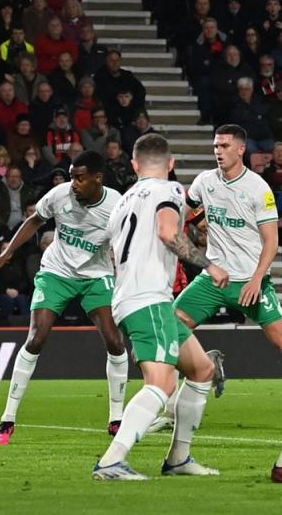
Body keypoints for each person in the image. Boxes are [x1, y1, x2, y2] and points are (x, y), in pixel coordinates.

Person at [93, 133, 225, 480]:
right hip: (147, 297)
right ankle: (111, 460)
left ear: (135, 165)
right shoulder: (169, 190)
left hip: (134, 297)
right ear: (171, 164)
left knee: (200, 369)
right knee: (162, 383)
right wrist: (209, 265)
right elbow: (168, 232)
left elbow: (111, 254)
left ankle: (179, 458)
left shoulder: (121, 203)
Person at [0, 151, 127, 445]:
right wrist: (7, 253)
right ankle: (7, 419)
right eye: (72, 176)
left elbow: (126, 245)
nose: (73, 183)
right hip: (57, 272)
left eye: (79, 177)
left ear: (97, 179)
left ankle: (116, 419)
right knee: (36, 339)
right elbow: (34, 221)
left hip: (96, 275)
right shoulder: (60, 195)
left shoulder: (116, 205)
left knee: (115, 342)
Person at [152, 126, 281, 434]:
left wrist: (257, 280)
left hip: (249, 281)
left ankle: (202, 366)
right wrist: (190, 225)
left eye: (224, 146)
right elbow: (184, 212)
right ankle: (175, 406)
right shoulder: (204, 181)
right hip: (212, 280)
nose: (218, 151)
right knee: (169, 330)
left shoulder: (257, 188)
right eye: (215, 146)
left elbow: (271, 241)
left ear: (240, 149)